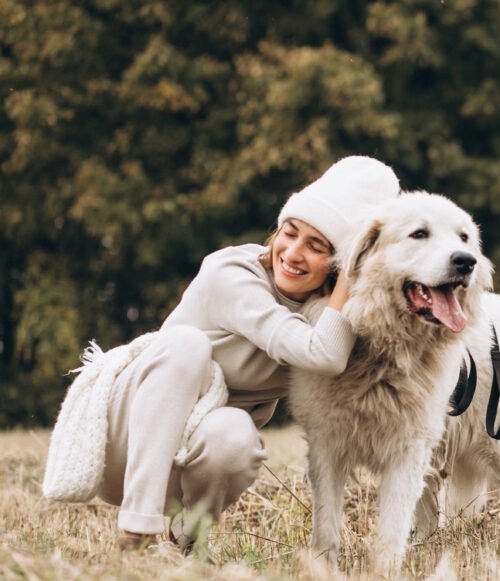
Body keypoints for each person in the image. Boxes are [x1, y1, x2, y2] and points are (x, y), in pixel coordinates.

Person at [44, 156, 400, 552]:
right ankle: (136, 531)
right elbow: (326, 356)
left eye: (316, 246)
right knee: (187, 343)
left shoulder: (330, 312)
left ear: (339, 261)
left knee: (236, 434)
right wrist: (352, 275)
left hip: (185, 467)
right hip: (123, 445)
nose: (293, 252)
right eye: (290, 232)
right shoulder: (232, 272)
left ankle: (186, 541)